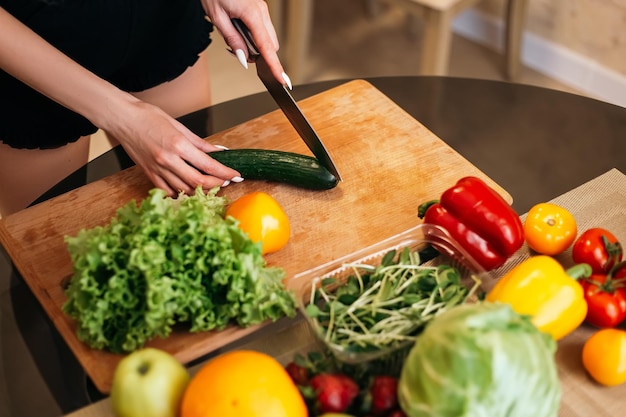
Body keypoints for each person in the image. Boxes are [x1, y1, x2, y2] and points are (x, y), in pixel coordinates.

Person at [0, 0, 291, 217]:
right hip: (30, 58)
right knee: (50, 254)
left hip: (159, 20)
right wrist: (123, 116)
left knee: (194, 207)